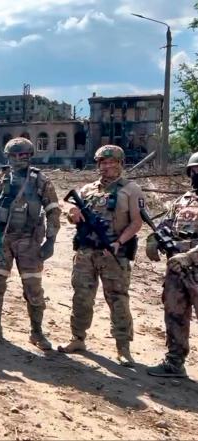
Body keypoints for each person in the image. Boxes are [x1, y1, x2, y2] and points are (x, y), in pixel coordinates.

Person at [58, 145, 144, 367]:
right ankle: (78, 338)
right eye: (103, 163)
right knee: (81, 296)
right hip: (86, 252)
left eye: (111, 163)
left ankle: (123, 347)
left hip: (113, 252)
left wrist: (119, 242)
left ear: (120, 164)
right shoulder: (87, 190)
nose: (106, 167)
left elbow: (136, 222)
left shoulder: (131, 190)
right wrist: (72, 215)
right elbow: (73, 218)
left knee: (118, 299)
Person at [0, 137, 60, 351]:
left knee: (33, 288)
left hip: (29, 242)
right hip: (1, 239)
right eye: (14, 155)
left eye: (23, 155)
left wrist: (50, 241)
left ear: (30, 156)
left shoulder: (41, 181)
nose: (18, 159)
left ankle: (37, 332)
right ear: (8, 156)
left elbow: (53, 210)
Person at [146, 152, 198, 378]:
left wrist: (190, 256)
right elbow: (166, 225)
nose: (197, 173)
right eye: (194, 170)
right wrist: (152, 240)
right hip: (176, 270)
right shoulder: (183, 200)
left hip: (192, 265)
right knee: (175, 313)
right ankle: (175, 362)